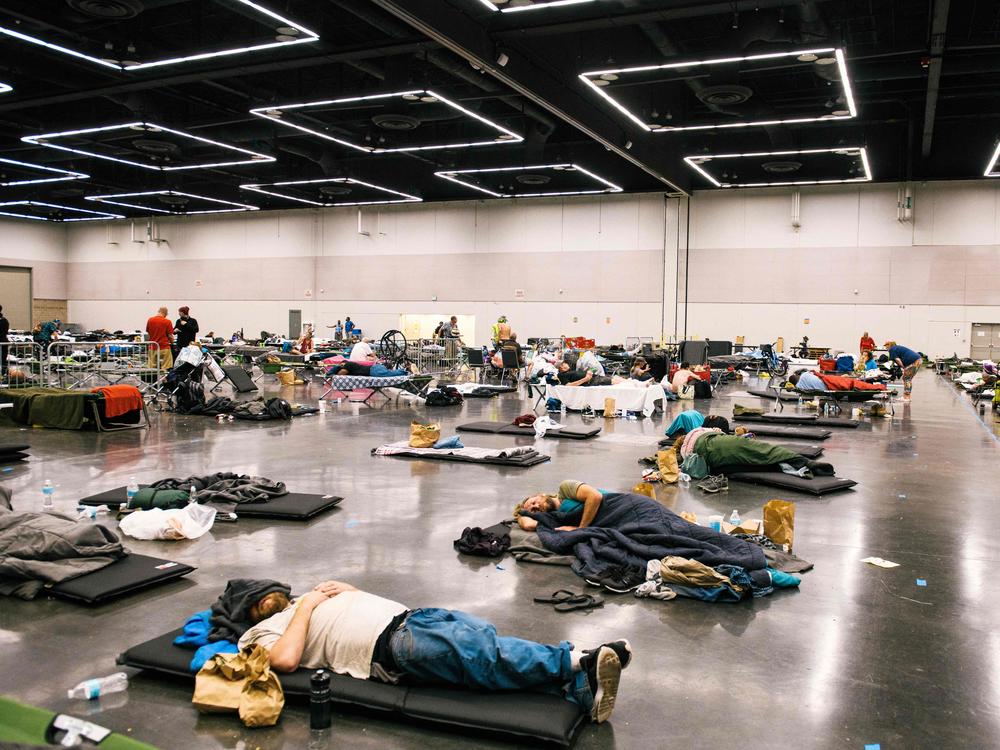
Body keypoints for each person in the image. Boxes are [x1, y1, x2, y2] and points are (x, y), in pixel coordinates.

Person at [236, 580, 630, 724]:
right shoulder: (259, 633)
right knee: (483, 656)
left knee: (487, 645)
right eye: (257, 601)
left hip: (414, 617)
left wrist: (348, 591)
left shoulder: (304, 596)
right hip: (390, 647)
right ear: (248, 613)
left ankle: (576, 690)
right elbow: (286, 661)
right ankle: (579, 658)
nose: (267, 599)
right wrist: (305, 607)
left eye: (269, 592)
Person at [516, 481, 606, 532]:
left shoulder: (565, 489)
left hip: (613, 504)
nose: (537, 506)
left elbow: (595, 496)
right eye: (534, 510)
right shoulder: (554, 518)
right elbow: (528, 525)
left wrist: (580, 529)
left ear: (541, 495)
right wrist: (520, 515)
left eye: (534, 502)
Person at [0, 305, 8, 378]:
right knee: (3, 359)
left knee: (3, 359)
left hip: (2, 341)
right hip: (4, 341)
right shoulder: (4, 320)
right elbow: (6, 331)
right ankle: (3, 374)